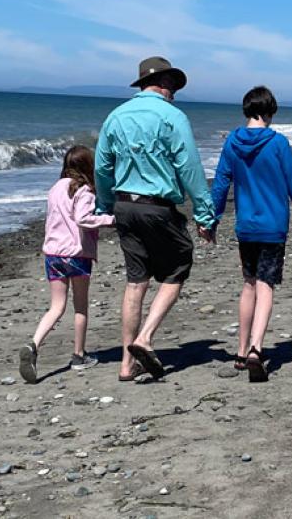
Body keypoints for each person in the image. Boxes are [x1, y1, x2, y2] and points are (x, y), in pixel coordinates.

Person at [94, 57, 216, 382]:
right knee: (177, 268)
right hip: (157, 206)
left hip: (123, 205)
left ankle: (125, 363)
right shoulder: (172, 116)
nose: (175, 92)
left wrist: (104, 205)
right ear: (164, 84)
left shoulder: (115, 116)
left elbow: (102, 167)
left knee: (136, 280)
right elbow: (189, 167)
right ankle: (145, 338)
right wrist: (205, 213)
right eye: (174, 86)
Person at [211, 86, 292, 382]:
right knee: (265, 286)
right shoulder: (277, 143)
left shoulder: (232, 142)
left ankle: (239, 350)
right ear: (267, 111)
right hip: (273, 227)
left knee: (248, 284)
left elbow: (221, 183)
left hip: (246, 228)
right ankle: (256, 350)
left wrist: (212, 219)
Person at [19, 146, 115, 384]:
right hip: (76, 254)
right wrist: (112, 220)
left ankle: (33, 344)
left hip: (52, 253)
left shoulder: (55, 188)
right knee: (80, 307)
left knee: (56, 307)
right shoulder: (84, 190)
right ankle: (78, 356)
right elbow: (84, 219)